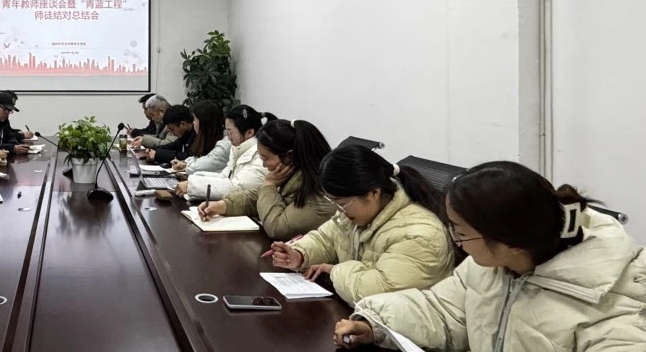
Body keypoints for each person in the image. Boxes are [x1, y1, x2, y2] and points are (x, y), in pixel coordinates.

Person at [336, 162, 646, 351]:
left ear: (510, 241)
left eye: (460, 232)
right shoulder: (491, 267)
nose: (457, 243)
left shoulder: (613, 307)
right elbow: (443, 311)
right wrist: (375, 324)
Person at [270, 145, 454, 306]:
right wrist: (300, 255)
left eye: (342, 203)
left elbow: (376, 293)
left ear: (373, 193)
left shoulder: (419, 235)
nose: (339, 211)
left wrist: (334, 271)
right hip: (364, 318)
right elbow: (326, 238)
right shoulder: (358, 212)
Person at [197, 119, 336, 240]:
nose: (264, 165)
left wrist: (269, 185)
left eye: (266, 158)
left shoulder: (319, 192)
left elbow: (277, 227)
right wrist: (223, 205)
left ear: (289, 156)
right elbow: (258, 197)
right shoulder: (289, 175)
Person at [176, 105, 272, 201]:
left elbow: (235, 189)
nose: (228, 138)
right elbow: (224, 176)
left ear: (249, 133)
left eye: (230, 133)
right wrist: (193, 179)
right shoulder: (238, 150)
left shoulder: (260, 156)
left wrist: (192, 185)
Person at [169, 100, 231, 177]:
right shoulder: (211, 138)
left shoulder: (224, 145)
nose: (193, 123)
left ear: (204, 123)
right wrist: (185, 163)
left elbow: (198, 167)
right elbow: (198, 158)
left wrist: (186, 165)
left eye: (195, 119)